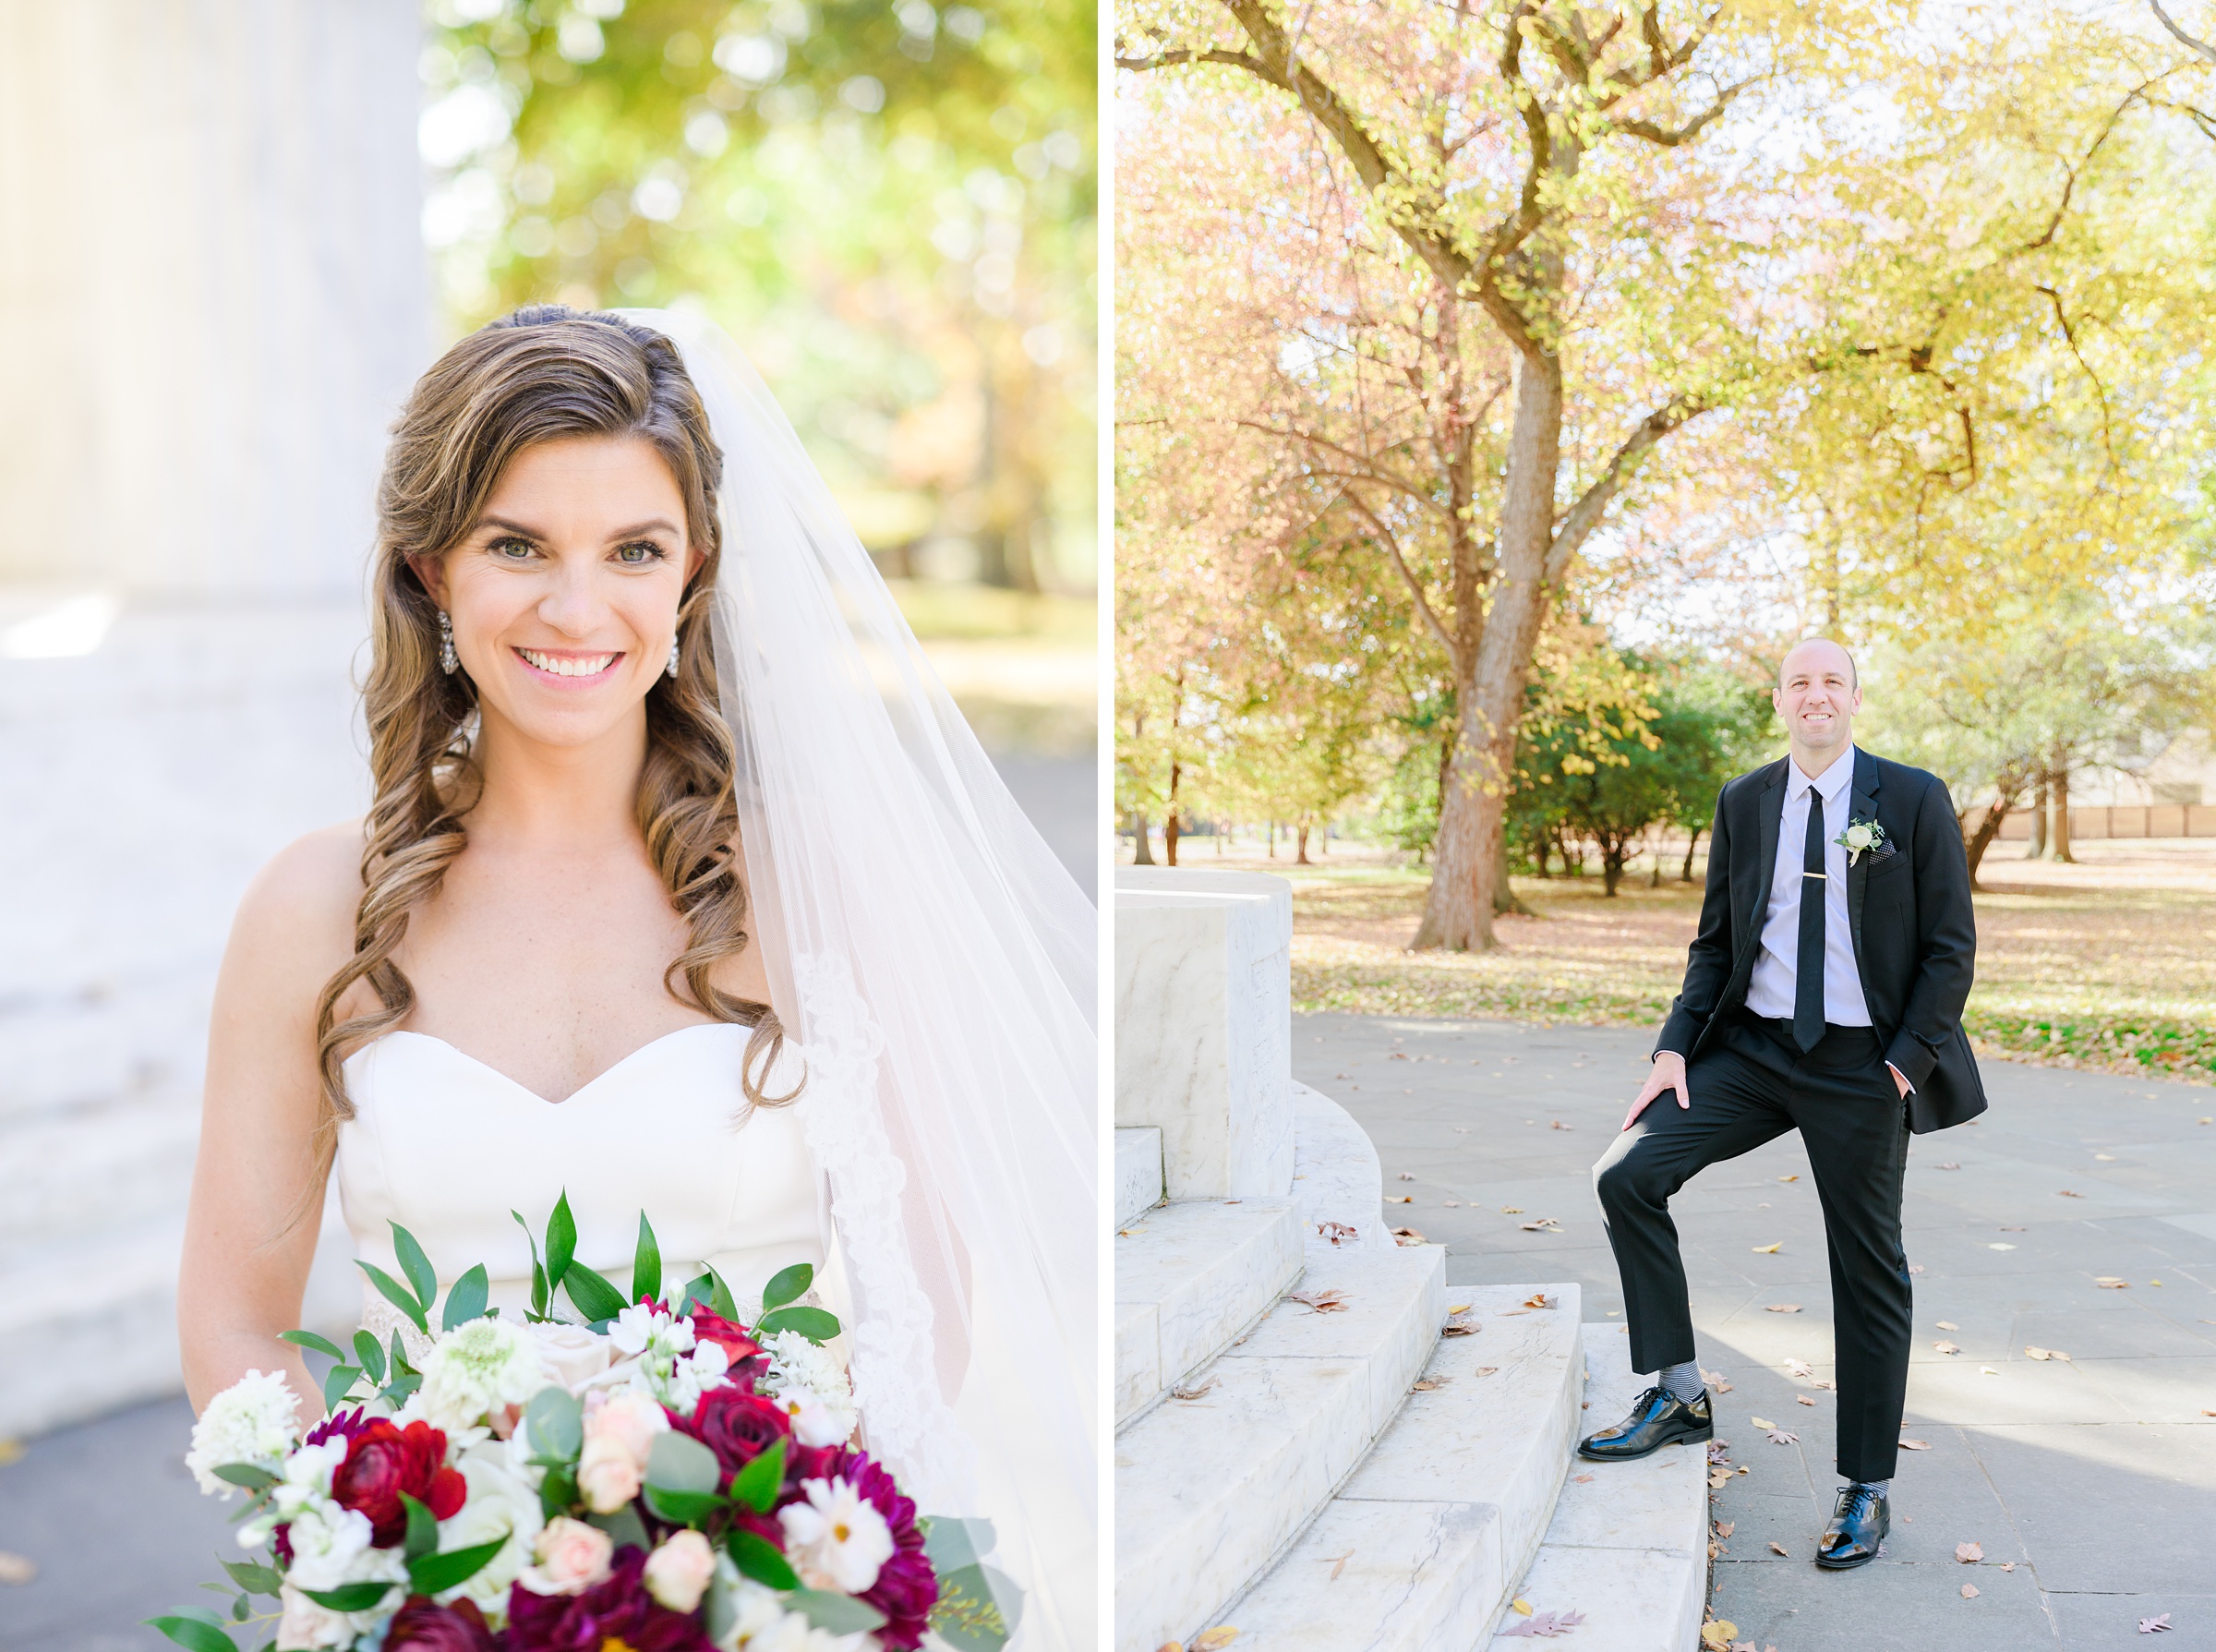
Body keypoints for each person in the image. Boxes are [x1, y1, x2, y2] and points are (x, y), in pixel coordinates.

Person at [175, 307, 1096, 1646]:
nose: (575, 606)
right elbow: (237, 1325)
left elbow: (925, 1309)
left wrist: (760, 1571)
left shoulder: (811, 897)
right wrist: (394, 1563)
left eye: (633, 551)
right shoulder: (317, 910)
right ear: (431, 569)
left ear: (694, 575)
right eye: (517, 546)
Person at [1579, 636, 1982, 1571]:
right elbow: (1716, 939)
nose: (1816, 695)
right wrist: (1675, 1042)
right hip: (1754, 1048)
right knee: (1626, 1174)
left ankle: (1867, 1486)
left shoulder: (1911, 799)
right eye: (1799, 682)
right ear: (1779, 700)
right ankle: (1679, 1394)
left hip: (1862, 1062)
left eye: (1831, 681)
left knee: (1868, 1263)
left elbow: (1950, 948)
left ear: (1854, 699)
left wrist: (1903, 1064)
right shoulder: (1745, 799)